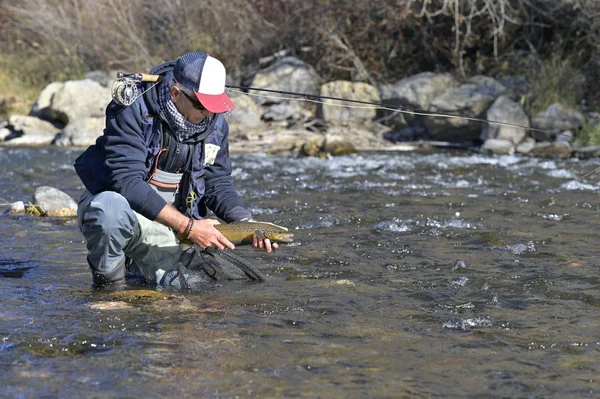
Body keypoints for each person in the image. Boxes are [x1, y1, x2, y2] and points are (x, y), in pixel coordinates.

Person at [74, 51, 276, 288]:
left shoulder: (215, 124)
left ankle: (140, 269)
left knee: (191, 292)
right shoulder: (132, 109)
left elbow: (217, 182)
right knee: (108, 210)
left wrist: (245, 223)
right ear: (175, 93)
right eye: (202, 106)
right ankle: (109, 290)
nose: (209, 115)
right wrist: (189, 228)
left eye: (216, 107)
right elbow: (126, 182)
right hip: (129, 213)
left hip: (173, 226)